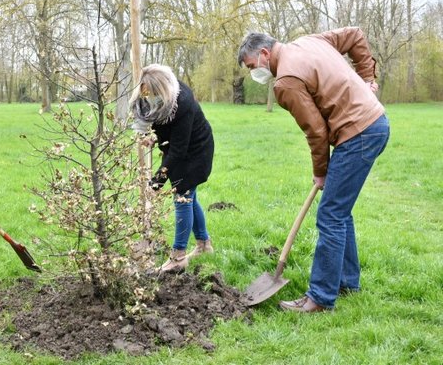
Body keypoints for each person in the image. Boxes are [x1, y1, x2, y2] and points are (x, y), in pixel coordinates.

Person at [237, 27, 390, 313]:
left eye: (251, 66)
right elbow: (355, 35)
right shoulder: (309, 41)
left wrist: (321, 171)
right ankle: (346, 282)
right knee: (339, 210)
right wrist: (367, 80)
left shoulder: (285, 82)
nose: (253, 73)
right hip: (376, 124)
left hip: (358, 134)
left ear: (265, 53)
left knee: (330, 214)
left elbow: (316, 132)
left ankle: (319, 298)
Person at [130, 64, 215, 273]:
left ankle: (178, 257)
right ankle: (204, 245)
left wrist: (156, 182)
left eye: (155, 95)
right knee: (189, 197)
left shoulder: (182, 103)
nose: (151, 98)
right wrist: (153, 138)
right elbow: (162, 128)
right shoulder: (149, 96)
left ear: (164, 91)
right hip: (178, 150)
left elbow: (177, 150)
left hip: (195, 151)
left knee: (183, 198)